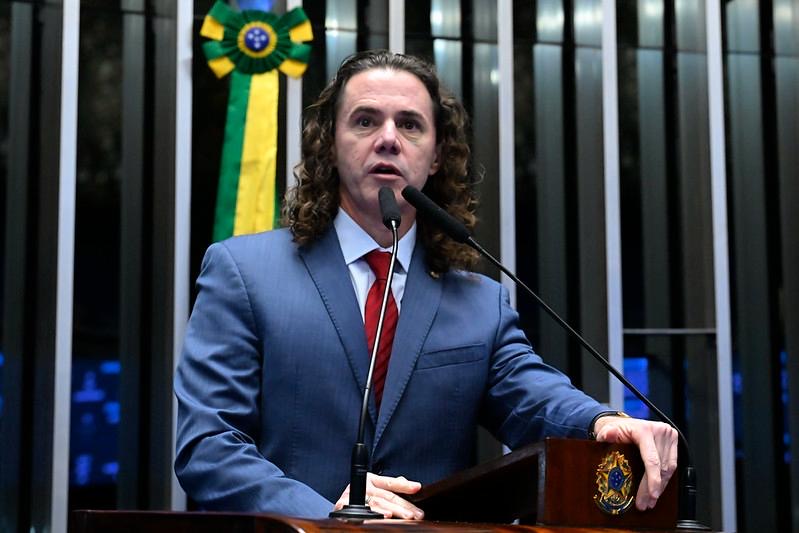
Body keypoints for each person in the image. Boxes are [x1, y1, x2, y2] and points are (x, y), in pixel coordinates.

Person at [174, 50, 678, 520]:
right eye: (365, 121)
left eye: (410, 124)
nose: (388, 139)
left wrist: (603, 422)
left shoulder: (479, 302)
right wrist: (323, 514)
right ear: (330, 143)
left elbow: (534, 398)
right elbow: (208, 446)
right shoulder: (244, 272)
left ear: (436, 155)